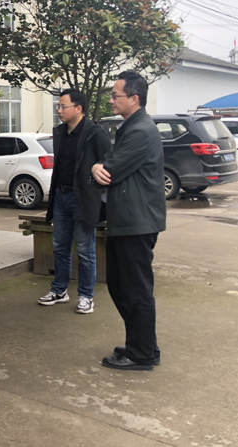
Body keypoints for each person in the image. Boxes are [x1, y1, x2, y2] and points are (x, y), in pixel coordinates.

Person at [92, 71, 166, 371]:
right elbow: (107, 163)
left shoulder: (140, 131)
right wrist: (97, 167)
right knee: (121, 285)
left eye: (115, 95)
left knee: (134, 289)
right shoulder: (131, 127)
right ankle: (144, 344)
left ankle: (141, 354)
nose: (111, 100)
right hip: (127, 219)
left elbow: (110, 169)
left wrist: (97, 167)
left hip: (136, 222)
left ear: (134, 98)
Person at [39, 89, 111, 314]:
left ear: (78, 108)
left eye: (63, 106)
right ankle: (59, 290)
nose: (59, 110)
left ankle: (86, 296)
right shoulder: (60, 132)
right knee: (60, 246)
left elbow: (108, 160)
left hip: (84, 199)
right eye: (58, 106)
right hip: (61, 196)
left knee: (85, 249)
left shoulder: (94, 133)